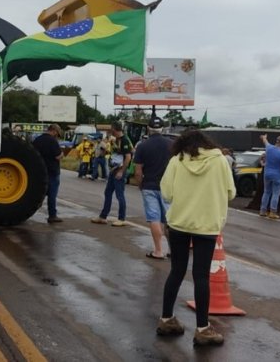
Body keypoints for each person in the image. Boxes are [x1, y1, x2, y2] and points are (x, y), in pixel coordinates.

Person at [156, 130, 236, 347]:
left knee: (177, 270)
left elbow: (166, 193)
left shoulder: (177, 161)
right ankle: (202, 329)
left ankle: (166, 319)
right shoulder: (220, 160)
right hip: (207, 225)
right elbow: (231, 193)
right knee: (201, 276)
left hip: (179, 223)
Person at [133, 117, 173, 260]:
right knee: (169, 220)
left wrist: (140, 184)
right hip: (168, 187)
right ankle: (173, 250)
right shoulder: (172, 145)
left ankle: (158, 250)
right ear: (163, 129)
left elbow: (138, 171)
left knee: (154, 218)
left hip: (149, 186)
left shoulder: (142, 146)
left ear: (148, 129)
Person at [91, 122, 133, 226]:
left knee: (119, 195)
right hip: (113, 169)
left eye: (112, 129)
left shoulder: (125, 140)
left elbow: (128, 157)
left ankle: (121, 218)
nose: (111, 131)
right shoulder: (116, 140)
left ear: (115, 129)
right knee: (108, 193)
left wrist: (121, 171)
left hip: (119, 170)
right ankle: (103, 217)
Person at [33, 124, 64, 223]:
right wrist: (62, 154)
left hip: (40, 171)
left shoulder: (37, 140)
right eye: (57, 134)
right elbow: (57, 156)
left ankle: (28, 210)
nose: (57, 136)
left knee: (39, 193)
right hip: (52, 171)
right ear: (54, 131)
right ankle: (52, 215)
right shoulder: (52, 141)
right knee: (52, 195)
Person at [259, 134, 280, 219]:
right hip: (278, 175)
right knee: (276, 194)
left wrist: (264, 137)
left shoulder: (269, 148)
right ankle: (272, 212)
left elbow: (265, 141)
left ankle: (263, 210)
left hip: (267, 173)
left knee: (266, 192)